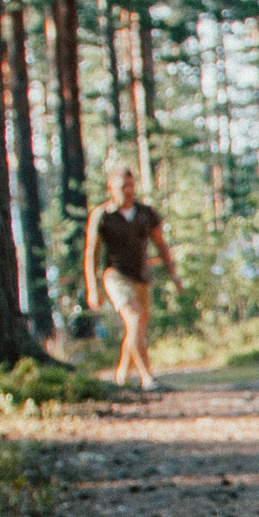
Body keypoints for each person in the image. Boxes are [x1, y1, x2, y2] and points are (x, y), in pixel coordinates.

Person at [82, 165, 178, 390]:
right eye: (123, 186)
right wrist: (92, 288)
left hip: (141, 277)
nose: (128, 190)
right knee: (135, 319)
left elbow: (161, 244)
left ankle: (121, 376)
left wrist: (173, 273)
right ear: (111, 187)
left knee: (137, 327)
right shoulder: (102, 215)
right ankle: (147, 378)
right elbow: (91, 254)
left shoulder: (145, 213)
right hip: (115, 276)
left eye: (131, 185)